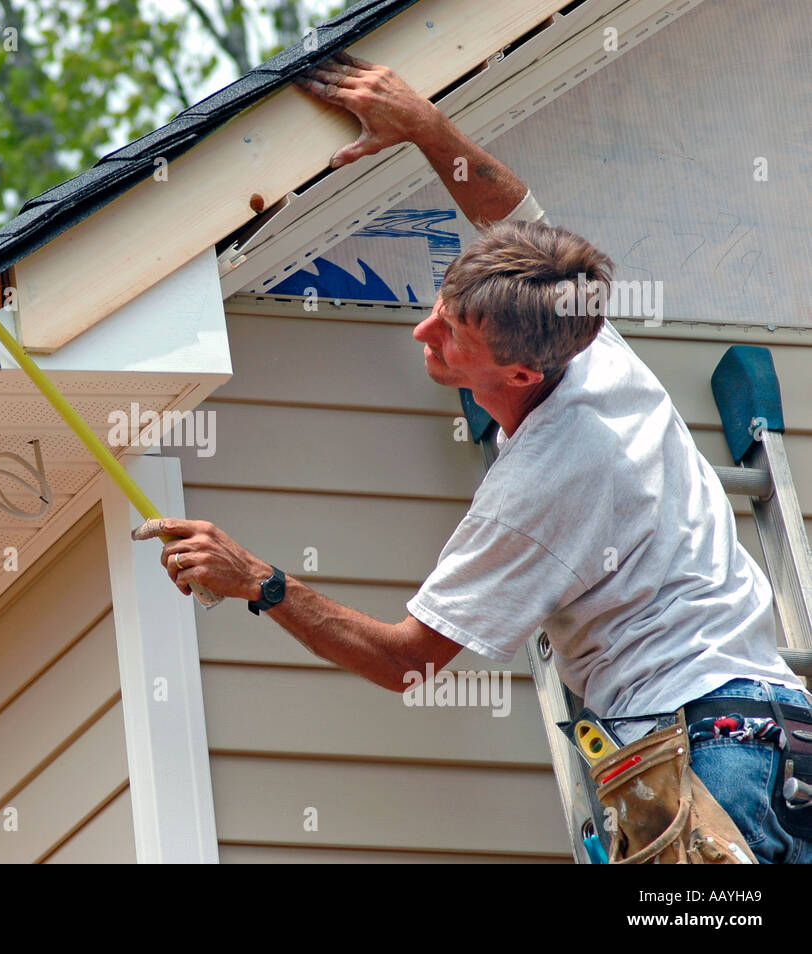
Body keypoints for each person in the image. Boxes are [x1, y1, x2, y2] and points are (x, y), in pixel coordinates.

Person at [131, 52, 812, 863]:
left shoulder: (540, 487)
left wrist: (261, 583)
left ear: (522, 374)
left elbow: (408, 661)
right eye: (442, 306)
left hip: (708, 762)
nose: (424, 332)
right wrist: (422, 124)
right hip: (781, 737)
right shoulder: (587, 342)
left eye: (454, 334)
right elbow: (511, 211)